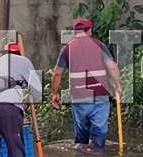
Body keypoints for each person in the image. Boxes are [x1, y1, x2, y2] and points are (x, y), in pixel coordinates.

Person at [50, 18, 121, 149]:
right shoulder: (99, 45)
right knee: (99, 135)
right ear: (89, 30)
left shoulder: (67, 49)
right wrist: (118, 86)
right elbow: (112, 67)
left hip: (79, 98)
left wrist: (54, 94)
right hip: (99, 96)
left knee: (81, 140)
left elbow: (57, 73)